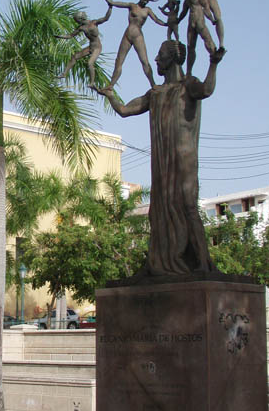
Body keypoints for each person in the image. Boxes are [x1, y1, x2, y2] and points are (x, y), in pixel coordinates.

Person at [96, 40, 225, 276]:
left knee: (188, 206)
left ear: (173, 58)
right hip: (162, 165)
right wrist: (110, 95)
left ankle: (203, 264)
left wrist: (213, 65)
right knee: (160, 210)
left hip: (183, 160)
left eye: (160, 54)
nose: (156, 59)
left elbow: (206, 90)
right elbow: (125, 110)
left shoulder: (188, 85)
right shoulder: (155, 93)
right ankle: (163, 262)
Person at [99, 0, 167, 90]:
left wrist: (167, 24)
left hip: (138, 36)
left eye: (147, 0)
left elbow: (156, 20)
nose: (145, 2)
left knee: (144, 61)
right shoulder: (132, 6)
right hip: (128, 34)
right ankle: (111, 85)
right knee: (119, 61)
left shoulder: (147, 10)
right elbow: (114, 3)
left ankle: (153, 84)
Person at [56, 3, 112, 88]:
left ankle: (92, 82)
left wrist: (110, 7)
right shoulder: (81, 28)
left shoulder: (94, 23)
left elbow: (106, 18)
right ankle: (64, 73)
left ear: (81, 18)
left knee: (90, 63)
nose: (77, 21)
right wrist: (60, 36)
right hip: (90, 47)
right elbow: (70, 36)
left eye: (77, 20)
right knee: (75, 56)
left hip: (97, 47)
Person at [175, 0, 217, 77]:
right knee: (190, 46)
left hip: (199, 18)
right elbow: (184, 10)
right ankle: (189, 72)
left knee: (206, 39)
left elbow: (205, 7)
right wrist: (178, 20)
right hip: (191, 20)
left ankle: (214, 55)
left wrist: (212, 19)